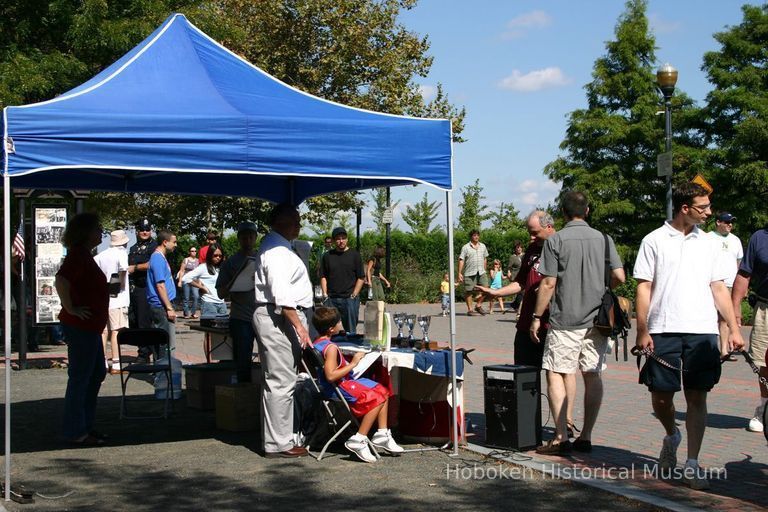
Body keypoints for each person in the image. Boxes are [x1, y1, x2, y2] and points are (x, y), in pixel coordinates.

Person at [634, 183, 744, 490]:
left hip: (702, 330)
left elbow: (718, 287)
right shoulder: (654, 240)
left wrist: (734, 328)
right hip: (663, 328)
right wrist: (642, 329)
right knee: (661, 397)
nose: (709, 212)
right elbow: (643, 287)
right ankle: (672, 434)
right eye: (703, 207)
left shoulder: (710, 243)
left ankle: (692, 463)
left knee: (697, 396)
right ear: (685, 208)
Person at [531, 191, 625, 455]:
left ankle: (561, 436)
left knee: (556, 372)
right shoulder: (604, 239)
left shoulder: (556, 240)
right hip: (598, 320)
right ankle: (586, 435)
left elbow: (548, 283)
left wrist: (537, 318)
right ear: (587, 210)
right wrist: (603, 287)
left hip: (565, 320)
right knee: (592, 374)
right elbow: (619, 275)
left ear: (562, 212)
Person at [477, 211, 579, 437]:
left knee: (561, 373)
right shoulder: (533, 250)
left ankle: (567, 422)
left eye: (535, 233)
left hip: (554, 324)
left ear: (549, 227)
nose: (531, 238)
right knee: (524, 374)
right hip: (526, 325)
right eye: (529, 233)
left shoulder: (564, 246)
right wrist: (495, 292)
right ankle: (528, 424)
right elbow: (521, 282)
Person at [253, 203, 312, 458]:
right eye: (296, 219)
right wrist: (299, 326)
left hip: (279, 316)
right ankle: (279, 443)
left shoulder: (278, 246)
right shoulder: (276, 250)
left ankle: (280, 438)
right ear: (282, 221)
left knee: (281, 379)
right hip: (279, 317)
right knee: (281, 381)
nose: (299, 224)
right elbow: (282, 295)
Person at [312, 306, 404, 462]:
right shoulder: (331, 348)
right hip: (337, 388)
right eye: (339, 321)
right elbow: (330, 375)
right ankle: (359, 439)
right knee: (377, 398)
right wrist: (354, 363)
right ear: (332, 329)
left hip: (338, 385)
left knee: (382, 389)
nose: (341, 323)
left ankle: (382, 433)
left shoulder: (318, 343)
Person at [55, 213, 109, 445]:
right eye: (97, 229)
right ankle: (75, 430)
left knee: (95, 374)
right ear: (86, 232)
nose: (101, 233)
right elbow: (61, 281)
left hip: (90, 327)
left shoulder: (85, 256)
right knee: (80, 378)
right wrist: (71, 308)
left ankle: (84, 425)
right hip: (81, 327)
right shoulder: (78, 255)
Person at [731, 224, 768, 434]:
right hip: (765, 308)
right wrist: (735, 308)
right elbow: (744, 274)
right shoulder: (759, 238)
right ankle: (764, 408)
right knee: (764, 362)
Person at [217, 222, 258, 383]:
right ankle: (242, 395)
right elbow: (221, 293)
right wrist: (236, 280)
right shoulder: (230, 263)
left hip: (263, 316)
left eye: (250, 236)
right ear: (238, 239)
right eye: (244, 237)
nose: (247, 240)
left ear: (255, 238)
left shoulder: (263, 259)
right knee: (242, 361)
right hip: (241, 318)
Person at [94, 229, 130, 375]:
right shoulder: (121, 254)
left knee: (103, 331)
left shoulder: (100, 256)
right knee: (116, 330)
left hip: (102, 297)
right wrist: (119, 285)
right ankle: (116, 363)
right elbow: (123, 270)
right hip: (118, 298)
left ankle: (102, 361)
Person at [708, 212, 743, 360]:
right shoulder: (708, 238)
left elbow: (739, 263)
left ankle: (724, 350)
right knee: (710, 317)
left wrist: (740, 285)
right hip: (712, 283)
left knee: (726, 318)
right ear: (718, 222)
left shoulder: (735, 240)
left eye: (731, 222)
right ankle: (709, 348)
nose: (730, 225)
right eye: (727, 222)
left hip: (730, 284)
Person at [320, 227, 364, 334]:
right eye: (338, 239)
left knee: (350, 332)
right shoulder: (327, 256)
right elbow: (323, 276)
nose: (341, 241)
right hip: (331, 299)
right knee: (330, 331)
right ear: (334, 241)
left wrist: (354, 294)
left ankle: (350, 350)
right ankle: (332, 350)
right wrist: (325, 294)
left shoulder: (355, 255)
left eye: (343, 238)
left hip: (349, 299)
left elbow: (361, 277)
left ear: (347, 239)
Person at [128, 219, 157, 362]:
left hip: (147, 287)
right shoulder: (133, 248)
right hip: (135, 288)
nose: (145, 232)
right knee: (135, 321)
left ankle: (145, 353)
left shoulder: (154, 246)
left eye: (147, 229)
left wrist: (136, 268)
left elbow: (153, 263)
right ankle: (143, 348)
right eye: (142, 229)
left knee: (145, 322)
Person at [147, 230, 178, 354]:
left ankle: (163, 368)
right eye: (174, 242)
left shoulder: (160, 257)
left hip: (163, 305)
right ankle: (162, 369)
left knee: (166, 341)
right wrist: (169, 307)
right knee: (163, 342)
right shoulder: (157, 258)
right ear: (165, 242)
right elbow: (160, 285)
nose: (175, 245)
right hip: (161, 306)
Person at [182, 243, 227, 317]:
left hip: (222, 304)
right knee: (210, 328)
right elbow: (186, 278)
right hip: (209, 304)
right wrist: (201, 287)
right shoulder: (203, 267)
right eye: (215, 255)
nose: (218, 257)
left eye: (220, 256)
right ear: (210, 255)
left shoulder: (221, 268)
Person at [458, 229, 489, 316]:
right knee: (469, 291)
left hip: (481, 272)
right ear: (471, 236)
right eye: (474, 235)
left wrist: (485, 269)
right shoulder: (465, 247)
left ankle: (478, 305)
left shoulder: (483, 246)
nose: (476, 237)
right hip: (469, 272)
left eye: (477, 235)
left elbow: (485, 258)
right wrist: (459, 273)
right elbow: (461, 260)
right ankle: (470, 310)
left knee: (486, 288)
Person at [177, 246, 200, 319]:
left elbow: (199, 273)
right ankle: (186, 313)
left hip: (194, 281)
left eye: (195, 251)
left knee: (196, 296)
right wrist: (180, 281)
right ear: (189, 252)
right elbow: (182, 270)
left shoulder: (198, 261)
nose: (194, 252)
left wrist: (200, 282)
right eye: (192, 251)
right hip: (186, 280)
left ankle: (193, 313)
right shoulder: (186, 260)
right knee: (186, 297)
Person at [506, 241, 524, 313]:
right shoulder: (512, 257)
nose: (519, 249)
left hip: (523, 275)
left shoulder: (525, 255)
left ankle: (515, 304)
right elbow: (509, 267)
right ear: (515, 249)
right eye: (518, 247)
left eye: (520, 247)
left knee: (522, 292)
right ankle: (516, 305)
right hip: (516, 276)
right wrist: (509, 273)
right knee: (521, 291)